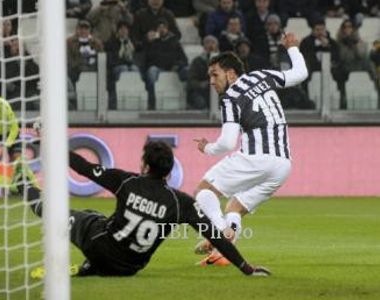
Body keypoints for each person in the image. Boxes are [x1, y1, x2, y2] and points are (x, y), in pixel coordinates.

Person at [18, 141, 271, 277]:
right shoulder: (181, 202)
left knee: (57, 213)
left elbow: (83, 167)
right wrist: (246, 267)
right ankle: (91, 267)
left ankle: (21, 185)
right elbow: (215, 236)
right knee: (95, 216)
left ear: (144, 164)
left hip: (99, 246)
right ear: (170, 171)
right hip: (130, 268)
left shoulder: (126, 181)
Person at [192, 32, 308, 266]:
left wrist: (207, 148)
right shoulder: (261, 76)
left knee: (204, 191)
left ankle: (220, 237)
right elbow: (300, 74)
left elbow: (226, 143)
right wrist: (293, 48)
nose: (212, 82)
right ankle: (224, 253)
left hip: (257, 157)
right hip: (283, 165)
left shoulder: (231, 97)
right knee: (234, 207)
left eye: (215, 75)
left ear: (231, 73)